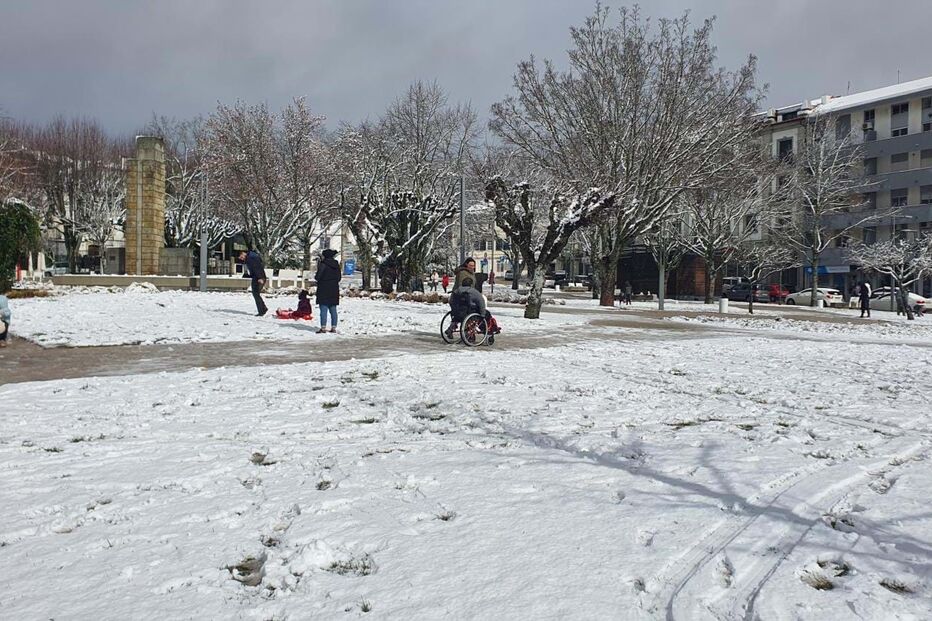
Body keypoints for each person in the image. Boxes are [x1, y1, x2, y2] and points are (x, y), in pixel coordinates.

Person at [315, 248, 341, 333]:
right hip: (334, 288)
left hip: (323, 288)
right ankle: (333, 327)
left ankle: (323, 328)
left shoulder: (323, 264)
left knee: (323, 308)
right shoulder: (336, 264)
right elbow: (339, 278)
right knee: (333, 308)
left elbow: (318, 277)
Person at [239, 249, 268, 316]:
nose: (241, 259)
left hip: (258, 278)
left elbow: (256, 268)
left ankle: (262, 310)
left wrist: (260, 277)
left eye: (241, 257)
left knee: (256, 293)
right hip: (257, 277)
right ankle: (263, 309)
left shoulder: (251, 258)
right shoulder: (252, 257)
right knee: (256, 294)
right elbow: (254, 269)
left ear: (243, 253)